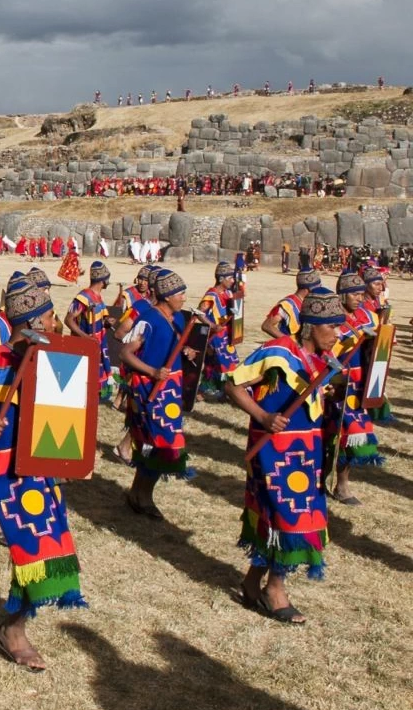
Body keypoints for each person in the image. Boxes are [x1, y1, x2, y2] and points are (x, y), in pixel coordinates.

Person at [0, 282, 85, 671]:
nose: (55, 322)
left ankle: (15, 624)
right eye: (48, 317)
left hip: (41, 466)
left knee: (51, 547)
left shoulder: (53, 359)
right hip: (5, 469)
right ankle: (13, 630)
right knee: (33, 549)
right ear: (29, 324)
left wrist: (66, 460)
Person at [223, 290, 342, 626]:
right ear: (311, 328)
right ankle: (275, 590)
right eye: (331, 327)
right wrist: (262, 416)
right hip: (274, 451)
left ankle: (251, 582)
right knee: (288, 518)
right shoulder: (277, 353)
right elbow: (232, 384)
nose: (336, 334)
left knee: (284, 519)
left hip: (306, 452)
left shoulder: (318, 359)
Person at [120, 268, 193, 518]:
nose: (184, 297)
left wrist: (186, 353)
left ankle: (139, 493)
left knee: (156, 445)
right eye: (180, 293)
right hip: (149, 389)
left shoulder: (179, 319)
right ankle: (143, 495)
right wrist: (152, 371)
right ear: (167, 296)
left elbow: (173, 346)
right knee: (158, 443)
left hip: (169, 391)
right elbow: (126, 353)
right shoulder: (148, 319)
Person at [324, 273, 382, 505]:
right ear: (343, 294)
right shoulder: (331, 318)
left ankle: (342, 484)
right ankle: (322, 480)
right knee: (330, 435)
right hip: (336, 383)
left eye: (361, 293)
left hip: (359, 384)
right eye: (355, 294)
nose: (360, 298)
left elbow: (379, 351)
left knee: (354, 435)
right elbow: (325, 351)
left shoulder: (369, 316)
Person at [65, 261, 120, 403]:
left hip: (99, 342)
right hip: (87, 344)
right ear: (103, 281)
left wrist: (107, 321)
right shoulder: (83, 298)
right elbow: (69, 320)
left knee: (100, 370)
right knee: (88, 374)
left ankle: (100, 396)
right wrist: (85, 337)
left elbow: (99, 317)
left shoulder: (97, 296)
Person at [195, 262, 241, 401]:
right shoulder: (211, 295)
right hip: (216, 337)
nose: (232, 281)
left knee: (213, 364)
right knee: (225, 364)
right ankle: (224, 391)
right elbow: (199, 313)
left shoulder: (228, 293)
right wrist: (213, 325)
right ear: (221, 279)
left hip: (227, 335)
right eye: (230, 278)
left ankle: (203, 392)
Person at [358, 268, 394, 425]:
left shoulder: (375, 301)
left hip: (376, 348)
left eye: (382, 284)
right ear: (366, 285)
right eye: (377, 284)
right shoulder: (361, 305)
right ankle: (374, 410)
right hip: (364, 351)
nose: (381, 288)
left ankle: (379, 409)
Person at [261, 268, 320, 339]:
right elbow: (267, 326)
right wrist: (289, 343)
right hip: (292, 348)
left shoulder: (310, 303)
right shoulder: (288, 305)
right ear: (309, 288)